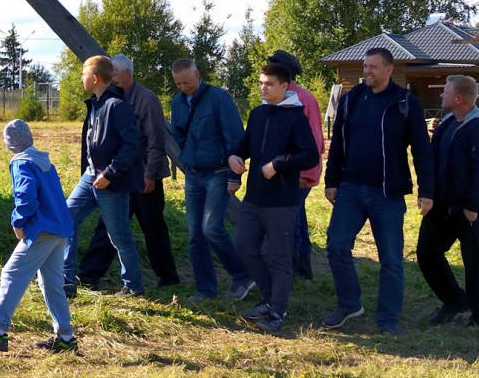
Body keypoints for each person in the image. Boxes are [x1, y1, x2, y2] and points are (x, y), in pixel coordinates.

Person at [321, 45, 434, 336]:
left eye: (372, 67)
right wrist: (331, 181)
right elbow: (338, 146)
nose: (366, 71)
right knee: (336, 244)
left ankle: (387, 318)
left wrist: (427, 190)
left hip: (388, 193)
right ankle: (348, 304)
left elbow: (422, 150)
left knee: (392, 259)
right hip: (351, 188)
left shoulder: (405, 103)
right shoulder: (351, 100)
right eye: (365, 66)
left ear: (388, 69)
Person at [0, 120, 79, 353]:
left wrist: (18, 222)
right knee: (52, 283)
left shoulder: (21, 163)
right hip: (60, 228)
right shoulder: (44, 161)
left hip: (41, 229)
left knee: (11, 273)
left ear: (9, 144)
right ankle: (66, 338)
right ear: (30, 138)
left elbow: (26, 196)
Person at [227, 62, 322, 332]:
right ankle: (268, 300)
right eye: (260, 82)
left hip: (282, 200)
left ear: (284, 86)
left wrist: (279, 164)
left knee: (280, 258)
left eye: (269, 83)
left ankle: (278, 311)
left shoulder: (296, 117)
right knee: (244, 247)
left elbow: (310, 155)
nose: (263, 87)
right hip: (254, 196)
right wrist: (235, 155)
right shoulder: (257, 114)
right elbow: (245, 145)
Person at [76, 54, 181, 289]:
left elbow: (155, 139)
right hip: (120, 173)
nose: (111, 78)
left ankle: (167, 276)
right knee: (109, 226)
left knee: (152, 226)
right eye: (110, 73)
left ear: (128, 74)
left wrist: (151, 174)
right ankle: (89, 274)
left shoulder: (145, 99)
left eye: (116, 74)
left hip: (144, 174)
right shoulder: (110, 98)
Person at [416, 74, 479, 328]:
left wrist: (473, 206)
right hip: (443, 203)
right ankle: (454, 300)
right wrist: (428, 193)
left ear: (459, 98)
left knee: (474, 260)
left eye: (445, 91)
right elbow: (434, 159)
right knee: (427, 251)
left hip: (469, 207)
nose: (441, 95)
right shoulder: (448, 122)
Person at [170, 57, 253, 301]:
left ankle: (243, 275)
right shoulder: (178, 102)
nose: (183, 88)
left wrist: (233, 176)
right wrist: (187, 156)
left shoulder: (218, 98)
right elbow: (178, 133)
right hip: (194, 175)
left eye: (186, 82)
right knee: (195, 234)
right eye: (178, 84)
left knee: (211, 227)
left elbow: (235, 137)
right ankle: (205, 289)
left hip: (218, 172)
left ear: (198, 74)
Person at [64, 54, 145, 297]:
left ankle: (133, 287)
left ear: (96, 78)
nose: (81, 78)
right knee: (66, 217)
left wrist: (110, 174)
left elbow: (131, 146)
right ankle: (67, 279)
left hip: (110, 181)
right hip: (90, 177)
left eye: (83, 74)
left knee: (118, 235)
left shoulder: (117, 106)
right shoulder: (96, 103)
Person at [267, 49, 326, 280]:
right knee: (296, 216)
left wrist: (306, 173)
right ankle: (301, 267)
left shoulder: (304, 99)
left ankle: (293, 267)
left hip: (298, 171)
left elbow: (315, 140)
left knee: (289, 218)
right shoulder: (273, 96)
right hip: (280, 170)